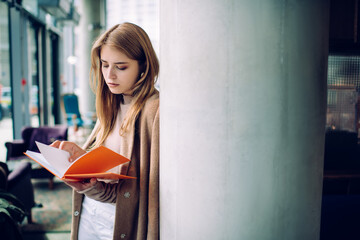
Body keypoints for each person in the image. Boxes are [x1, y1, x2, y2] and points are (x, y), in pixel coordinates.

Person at [51, 22, 159, 240]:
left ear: (144, 66)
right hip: (89, 211)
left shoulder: (154, 110)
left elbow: (139, 193)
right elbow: (109, 186)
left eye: (121, 67)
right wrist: (81, 158)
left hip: (119, 221)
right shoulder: (112, 104)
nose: (110, 75)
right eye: (104, 64)